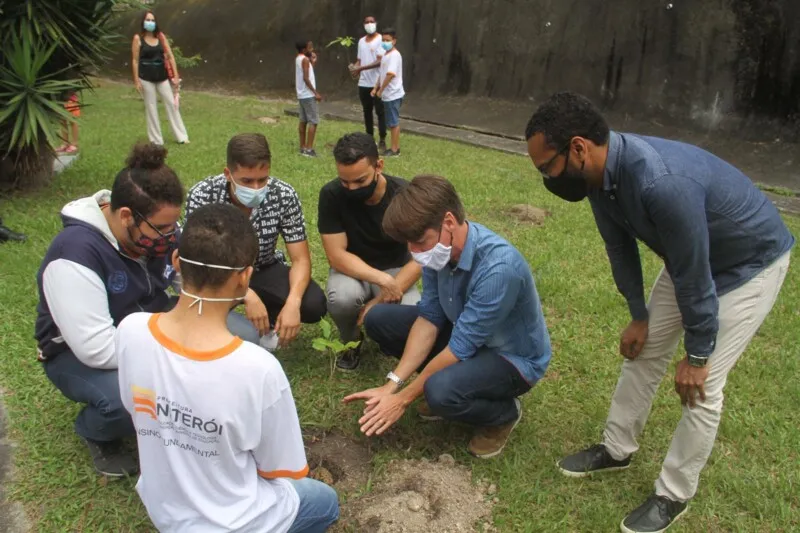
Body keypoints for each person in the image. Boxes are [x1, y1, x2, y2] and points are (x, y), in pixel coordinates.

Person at [525, 92, 795, 533]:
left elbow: (695, 278)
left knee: (702, 388)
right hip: (688, 257)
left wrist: (699, 354)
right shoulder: (597, 177)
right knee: (643, 351)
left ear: (577, 148)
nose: (546, 178)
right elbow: (620, 247)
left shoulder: (659, 182)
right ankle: (617, 449)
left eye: (546, 166)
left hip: (750, 264)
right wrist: (638, 313)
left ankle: (673, 494)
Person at [115, 203, 339, 533]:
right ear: (245, 279)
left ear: (176, 261)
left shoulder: (131, 330)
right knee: (324, 500)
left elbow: (135, 411)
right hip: (234, 523)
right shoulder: (258, 369)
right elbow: (282, 469)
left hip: (166, 513)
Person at [343, 176, 551, 458]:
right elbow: (429, 317)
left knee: (440, 392)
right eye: (409, 244)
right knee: (379, 319)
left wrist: (402, 399)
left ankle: (503, 414)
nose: (415, 253)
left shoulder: (498, 268)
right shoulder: (437, 253)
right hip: (465, 335)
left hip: (511, 359)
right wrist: (391, 384)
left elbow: (460, 347)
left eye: (419, 241)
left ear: (449, 223)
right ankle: (448, 386)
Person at [34, 143, 185, 477]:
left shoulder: (153, 230)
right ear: (126, 216)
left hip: (155, 327)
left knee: (237, 335)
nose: (170, 236)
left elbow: (186, 287)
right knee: (126, 401)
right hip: (75, 353)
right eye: (162, 229)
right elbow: (97, 350)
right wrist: (175, 350)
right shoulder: (74, 254)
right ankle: (95, 431)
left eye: (174, 226)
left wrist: (187, 281)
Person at [186, 133, 326, 348]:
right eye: (246, 181)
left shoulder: (284, 195)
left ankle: (268, 320)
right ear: (228, 174)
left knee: (312, 304)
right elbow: (196, 262)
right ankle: (219, 326)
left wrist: (293, 303)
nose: (255, 188)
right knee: (203, 307)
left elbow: (300, 259)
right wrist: (246, 294)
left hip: (262, 267)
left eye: (262, 179)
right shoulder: (203, 195)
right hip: (215, 272)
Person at [319, 133, 421, 371]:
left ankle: (388, 339)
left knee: (412, 312)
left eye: (360, 181)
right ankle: (350, 341)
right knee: (341, 298)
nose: (351, 189)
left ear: (379, 166)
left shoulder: (403, 195)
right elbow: (336, 255)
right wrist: (381, 280)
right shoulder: (331, 195)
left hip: (396, 268)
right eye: (345, 182)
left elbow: (420, 259)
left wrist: (379, 299)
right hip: (351, 270)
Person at [131, 10, 190, 146]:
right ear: (143, 22)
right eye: (148, 20)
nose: (150, 23)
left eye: (152, 20)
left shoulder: (160, 38)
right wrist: (136, 80)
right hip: (146, 78)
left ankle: (181, 136)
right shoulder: (138, 39)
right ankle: (156, 140)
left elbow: (170, 55)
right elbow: (135, 60)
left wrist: (175, 76)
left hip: (162, 77)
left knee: (171, 104)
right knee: (151, 107)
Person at [349, 16, 386, 152]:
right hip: (363, 82)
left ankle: (382, 138)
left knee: (380, 111)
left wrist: (361, 68)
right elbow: (359, 60)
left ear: (376, 23)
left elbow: (379, 61)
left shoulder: (381, 39)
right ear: (363, 25)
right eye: (367, 22)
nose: (369, 24)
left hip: (377, 82)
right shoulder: (361, 41)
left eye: (372, 22)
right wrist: (355, 68)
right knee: (367, 111)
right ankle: (369, 138)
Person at [372, 28, 404, 157]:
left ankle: (395, 149)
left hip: (393, 94)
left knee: (393, 123)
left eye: (388, 40)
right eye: (383, 40)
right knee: (390, 122)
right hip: (388, 94)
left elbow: (390, 75)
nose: (385, 42)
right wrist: (375, 88)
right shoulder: (386, 55)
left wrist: (381, 90)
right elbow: (382, 73)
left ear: (394, 41)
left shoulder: (394, 55)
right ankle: (394, 148)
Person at [295, 40, 321, 157]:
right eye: (310, 47)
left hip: (301, 94)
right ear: (304, 50)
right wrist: (315, 93)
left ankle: (302, 147)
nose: (312, 49)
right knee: (313, 121)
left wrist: (313, 62)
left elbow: (307, 73)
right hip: (308, 94)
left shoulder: (299, 58)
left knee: (303, 120)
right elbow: (306, 78)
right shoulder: (305, 60)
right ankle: (309, 150)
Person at [56, 90, 80, 154]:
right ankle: (65, 143)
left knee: (72, 120)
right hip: (59, 97)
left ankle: (74, 144)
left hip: (70, 97)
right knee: (62, 120)